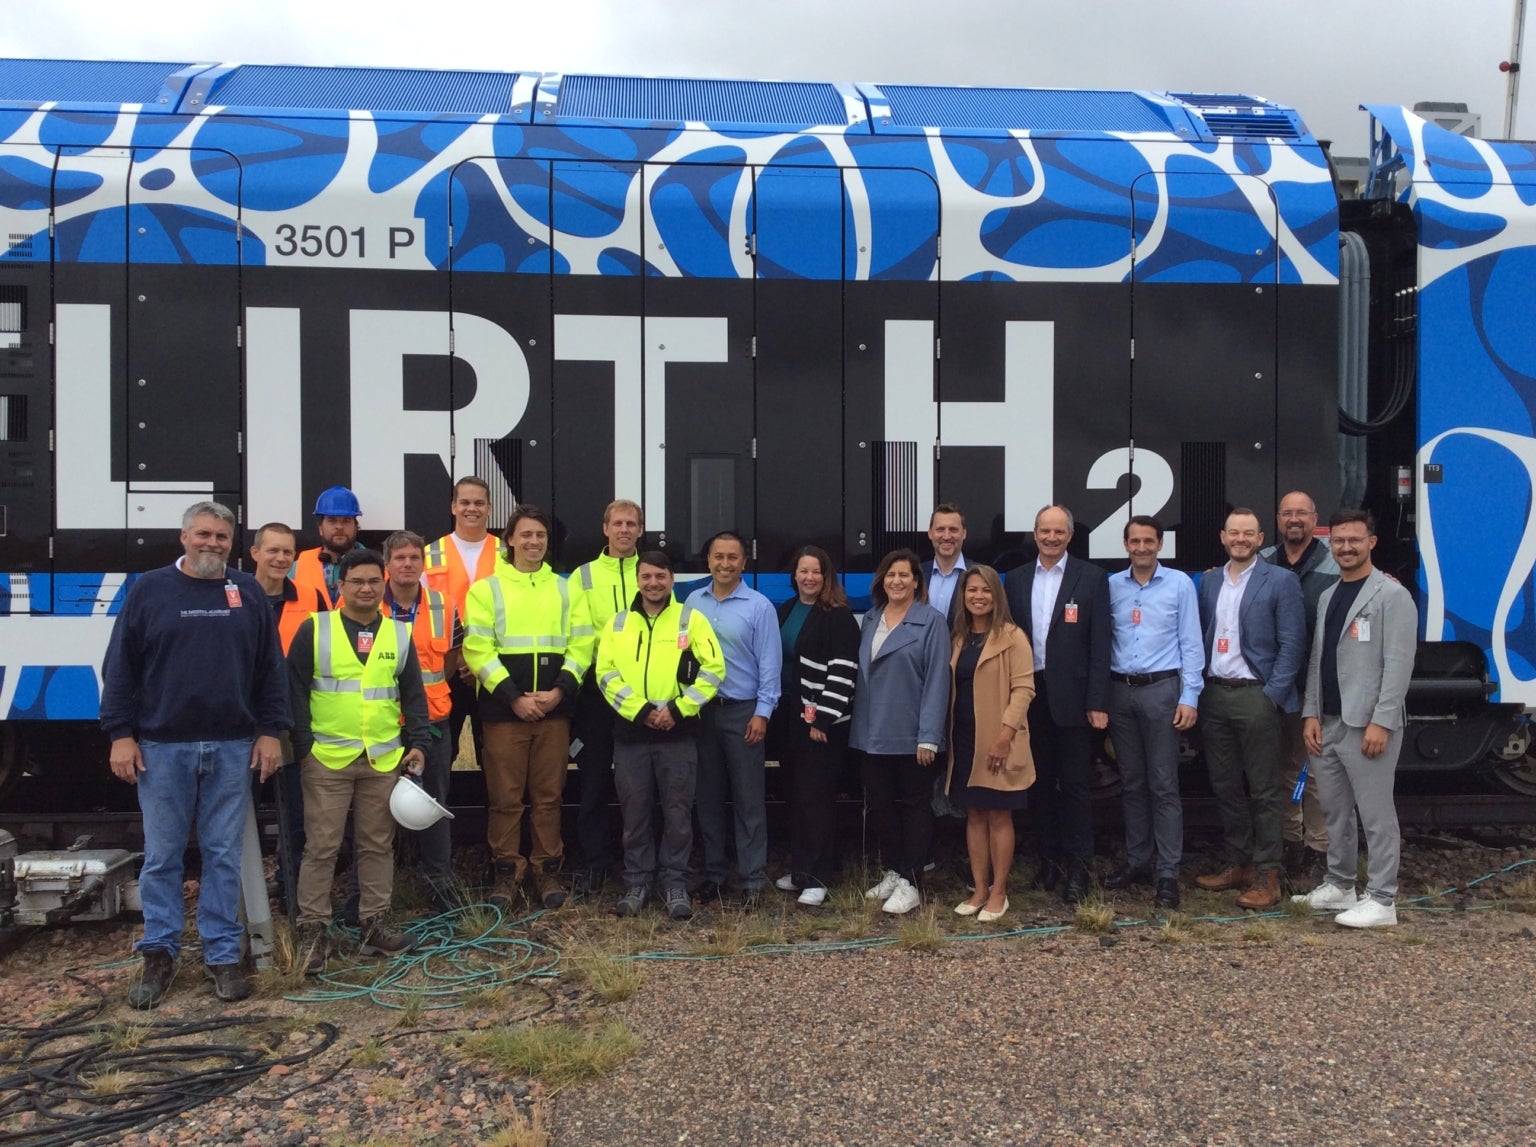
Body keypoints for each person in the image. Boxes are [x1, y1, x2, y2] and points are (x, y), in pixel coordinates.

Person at [101, 501, 288, 1008]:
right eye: (203, 534)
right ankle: (158, 955)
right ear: (183, 537)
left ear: (232, 543)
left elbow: (270, 669)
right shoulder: (150, 590)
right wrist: (120, 733)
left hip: (232, 747)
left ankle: (222, 955)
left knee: (223, 855)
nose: (212, 543)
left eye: (221, 537)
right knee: (162, 858)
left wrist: (270, 730)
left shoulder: (246, 592)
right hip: (162, 748)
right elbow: (119, 667)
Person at [288, 550, 430, 974]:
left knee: (376, 845)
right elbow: (293, 690)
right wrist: (304, 746)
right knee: (322, 847)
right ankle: (313, 931)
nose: (366, 588)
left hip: (382, 760)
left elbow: (413, 696)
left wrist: (418, 742)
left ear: (381, 584)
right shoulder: (315, 629)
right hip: (327, 760)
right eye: (357, 582)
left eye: (373, 581)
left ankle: (373, 926)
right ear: (341, 586)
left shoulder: (398, 635)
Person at [464, 506, 594, 911]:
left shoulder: (567, 588)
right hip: (506, 714)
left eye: (540, 535)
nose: (534, 541)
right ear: (510, 540)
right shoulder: (486, 590)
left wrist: (558, 693)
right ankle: (506, 873)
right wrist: (514, 698)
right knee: (504, 797)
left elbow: (583, 644)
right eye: (526, 534)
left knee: (548, 796)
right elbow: (477, 650)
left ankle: (547, 869)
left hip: (554, 711)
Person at [1294, 509, 1417, 928]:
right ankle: (1340, 885)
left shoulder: (1391, 596)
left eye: (1354, 540)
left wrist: (1382, 722)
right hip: (1328, 722)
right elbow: (1317, 661)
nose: (1346, 547)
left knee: (1376, 815)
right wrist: (1311, 712)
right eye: (1339, 541)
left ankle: (1382, 900)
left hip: (1367, 724)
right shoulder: (1330, 595)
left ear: (1372, 543)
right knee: (1334, 812)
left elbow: (1398, 664)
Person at [596, 550, 725, 920]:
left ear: (672, 580)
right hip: (632, 734)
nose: (653, 583)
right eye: (647, 576)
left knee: (678, 814)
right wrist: (640, 711)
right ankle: (636, 882)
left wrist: (678, 709)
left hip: (678, 735)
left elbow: (714, 670)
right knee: (634, 813)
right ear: (638, 580)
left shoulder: (692, 619)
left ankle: (675, 884)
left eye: (661, 576)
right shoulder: (618, 624)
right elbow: (605, 673)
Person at [1193, 508, 1307, 910]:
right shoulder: (1208, 582)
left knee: (1264, 790)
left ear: (1260, 539)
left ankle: (1268, 874)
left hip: (1257, 695)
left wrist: (1272, 695)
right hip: (1215, 694)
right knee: (1224, 785)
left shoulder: (1281, 581)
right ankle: (1239, 862)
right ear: (1223, 537)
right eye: (1233, 533)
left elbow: (1293, 643)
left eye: (1249, 533)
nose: (1240, 539)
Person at [1003, 504, 1111, 905]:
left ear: (1069, 535)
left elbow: (1101, 646)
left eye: (1059, 531)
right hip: (1029, 694)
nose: (1051, 538)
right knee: (1039, 784)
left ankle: (1080, 866)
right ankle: (1048, 860)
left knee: (1077, 786)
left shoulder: (1093, 578)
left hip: (1075, 699)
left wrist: (1098, 701)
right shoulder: (1013, 580)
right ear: (1035, 535)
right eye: (1044, 531)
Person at [1103, 516, 1204, 910]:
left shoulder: (1179, 584)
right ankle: (1138, 861)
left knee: (1163, 785)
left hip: (1163, 691)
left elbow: (1191, 642)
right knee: (1131, 783)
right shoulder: (1111, 586)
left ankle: (1168, 874)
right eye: (1135, 541)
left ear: (1160, 544)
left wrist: (1190, 696)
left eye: (1149, 541)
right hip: (1121, 692)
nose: (1142, 547)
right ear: (1125, 544)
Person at [849, 548, 951, 915]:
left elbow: (938, 681)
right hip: (870, 734)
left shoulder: (932, 622)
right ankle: (894, 869)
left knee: (915, 807)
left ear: (916, 582)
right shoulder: (871, 618)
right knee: (879, 807)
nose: (897, 581)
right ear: (882, 580)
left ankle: (912, 881)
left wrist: (929, 736)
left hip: (911, 737)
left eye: (904, 575)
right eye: (890, 575)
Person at [686, 531, 781, 907]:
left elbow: (770, 666)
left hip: (743, 714)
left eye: (733, 557)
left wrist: (762, 713)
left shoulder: (759, 607)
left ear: (744, 562)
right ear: (707, 560)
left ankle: (753, 880)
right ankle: (714, 875)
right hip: (702, 712)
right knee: (706, 798)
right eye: (718, 556)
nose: (725, 564)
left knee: (748, 800)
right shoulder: (692, 602)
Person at [771, 545, 860, 907]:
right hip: (790, 715)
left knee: (816, 797)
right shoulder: (787, 610)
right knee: (795, 793)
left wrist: (824, 717)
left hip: (821, 721)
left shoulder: (837, 615)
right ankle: (803, 870)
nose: (808, 577)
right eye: (803, 571)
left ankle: (819, 877)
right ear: (794, 576)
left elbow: (844, 671)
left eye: (816, 572)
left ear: (827, 577)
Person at [946, 565, 1035, 925]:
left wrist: (1004, 737)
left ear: (996, 596)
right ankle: (979, 889)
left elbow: (1024, 689)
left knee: (998, 815)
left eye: (985, 590)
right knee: (974, 814)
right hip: (965, 740)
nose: (978, 596)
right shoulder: (959, 637)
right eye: (971, 590)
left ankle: (999, 891)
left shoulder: (1013, 637)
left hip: (998, 741)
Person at [381, 529, 464, 911]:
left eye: (414, 557)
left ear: (422, 564)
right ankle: (376, 892)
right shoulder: (366, 605)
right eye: (400, 558)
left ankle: (439, 884)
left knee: (434, 805)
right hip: (381, 726)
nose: (408, 564)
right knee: (375, 812)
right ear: (388, 564)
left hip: (431, 724)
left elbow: (449, 664)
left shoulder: (444, 607)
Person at [249, 522, 329, 908]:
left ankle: (291, 885)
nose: (281, 558)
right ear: (255, 554)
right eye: (273, 551)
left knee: (299, 814)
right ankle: (243, 895)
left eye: (287, 552)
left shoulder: (312, 597)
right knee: (239, 810)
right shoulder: (234, 595)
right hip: (244, 720)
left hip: (299, 718)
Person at [568, 498, 644, 897]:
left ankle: (641, 863)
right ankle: (596, 863)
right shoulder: (582, 577)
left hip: (641, 694)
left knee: (642, 784)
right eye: (618, 523)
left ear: (640, 531)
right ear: (605, 528)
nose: (624, 530)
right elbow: (575, 634)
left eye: (631, 524)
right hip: (597, 695)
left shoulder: (651, 572)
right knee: (594, 780)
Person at [1262, 490, 1340, 878]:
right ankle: (1290, 845)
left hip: (1316, 684)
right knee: (1282, 770)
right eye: (1287, 513)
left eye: (1302, 513)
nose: (1294, 519)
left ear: (1314, 518)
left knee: (1316, 770)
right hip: (1272, 686)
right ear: (1278, 519)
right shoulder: (1262, 561)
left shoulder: (1334, 562)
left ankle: (1319, 851)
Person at [423, 476, 499, 763]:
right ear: (453, 507)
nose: (472, 509)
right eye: (465, 502)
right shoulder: (428, 554)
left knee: (495, 757)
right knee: (439, 756)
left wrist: (476, 660)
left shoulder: (506, 554)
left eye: (479, 503)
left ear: (489, 508)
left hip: (492, 670)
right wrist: (456, 659)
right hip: (444, 670)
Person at [292, 486, 365, 608]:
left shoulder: (378, 567)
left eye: (346, 520)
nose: (339, 527)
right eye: (332, 520)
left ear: (356, 527)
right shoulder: (297, 567)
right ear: (320, 528)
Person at [923, 503, 969, 626]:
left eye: (953, 530)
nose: (947, 536)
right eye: (940, 529)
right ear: (930, 533)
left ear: (963, 534)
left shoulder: (979, 575)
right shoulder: (916, 574)